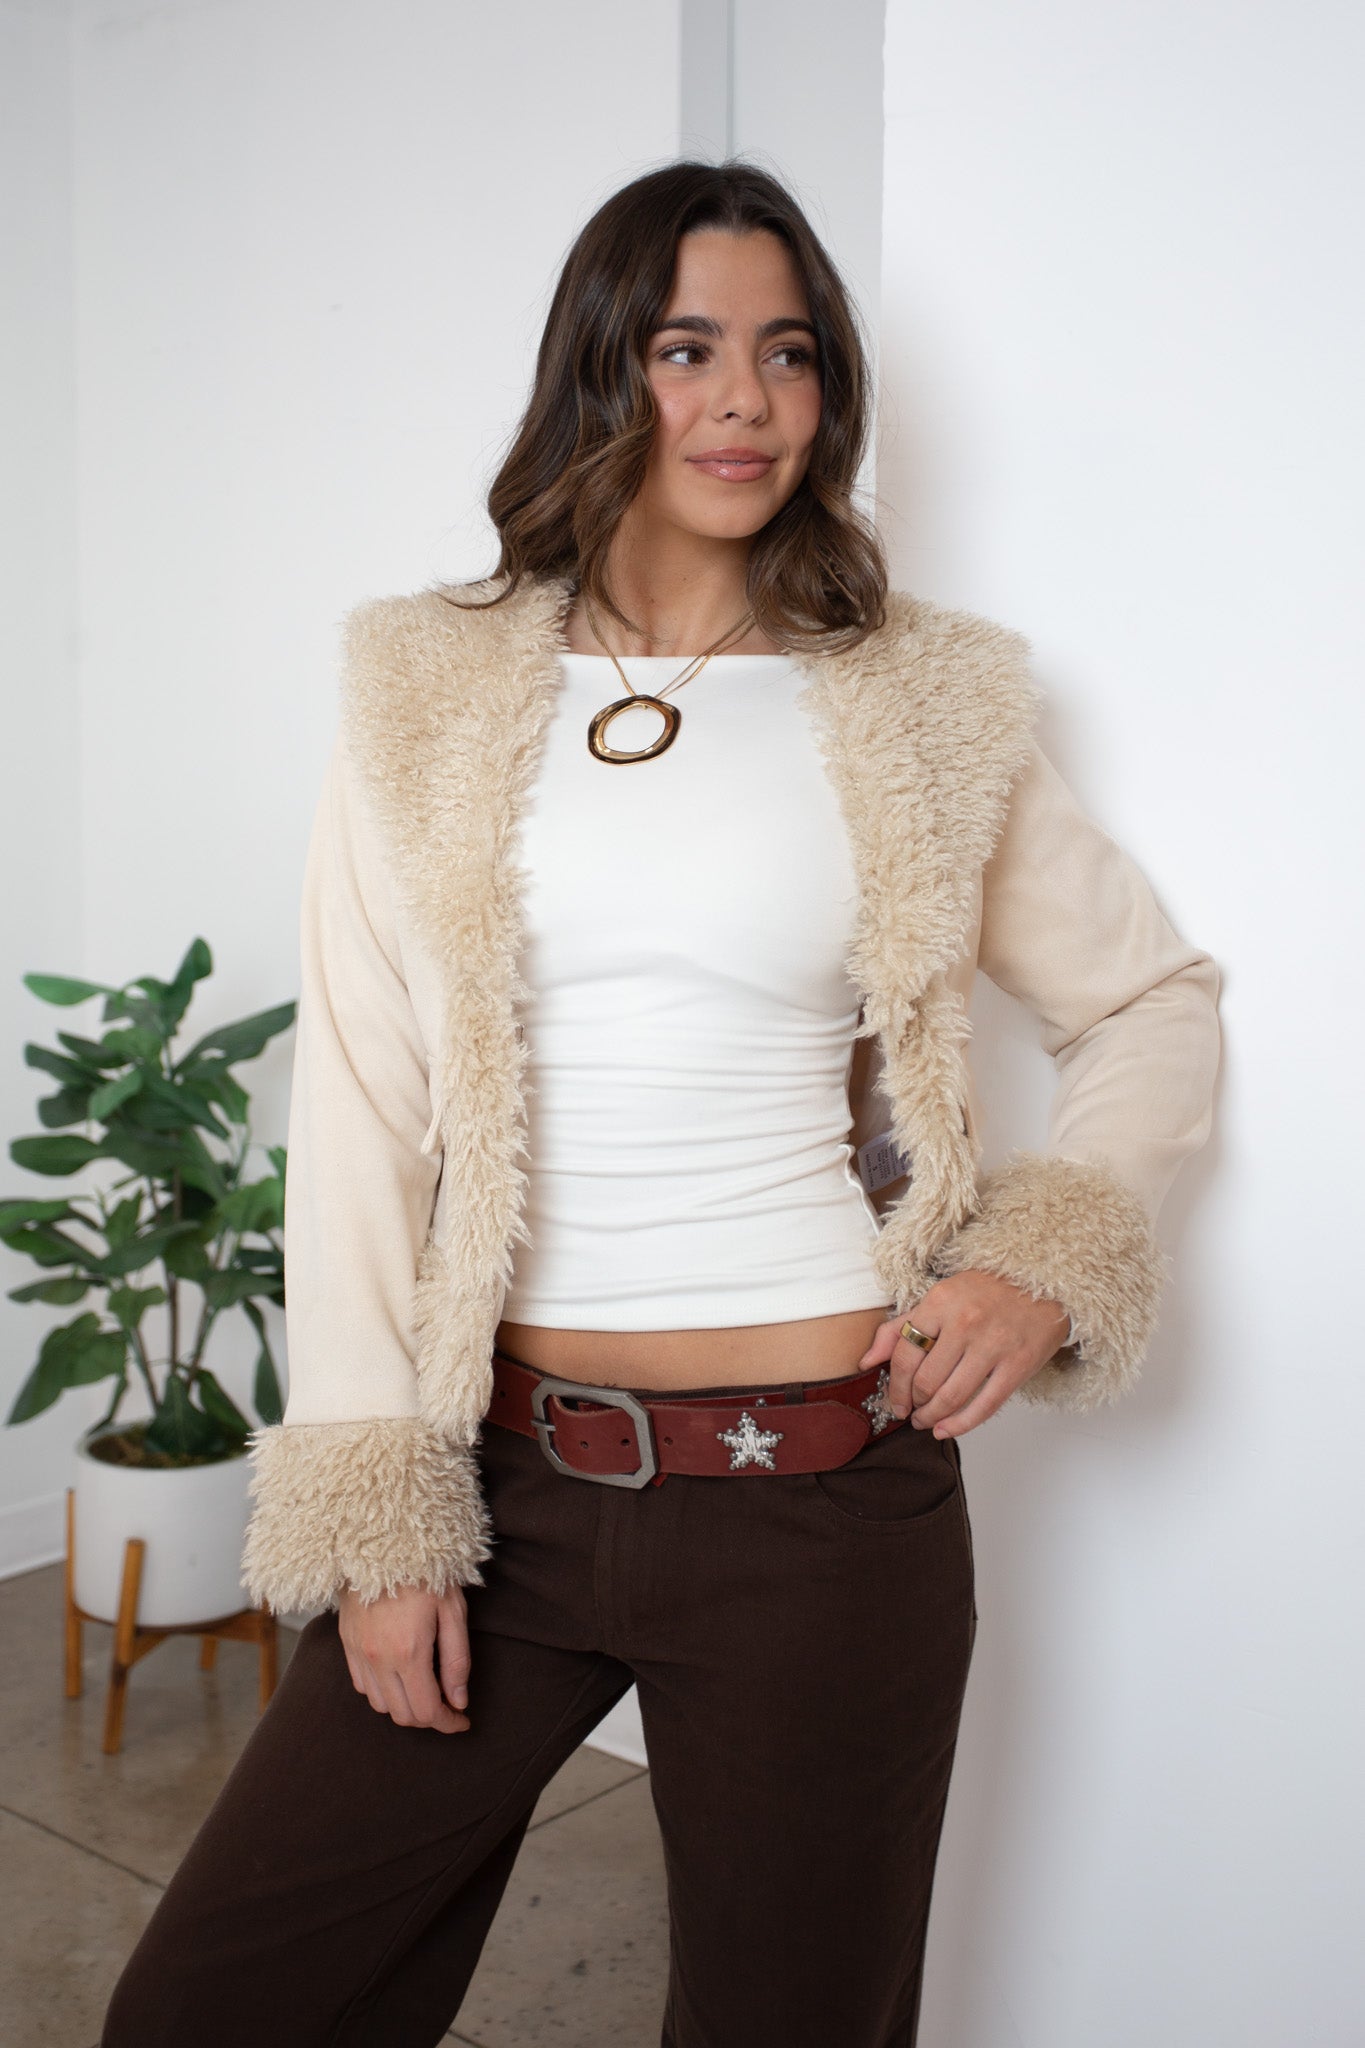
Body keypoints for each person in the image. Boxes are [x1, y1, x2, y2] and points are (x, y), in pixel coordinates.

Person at [99, 159, 1221, 2048]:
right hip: (504, 1482)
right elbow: (363, 1103)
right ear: (602, 368)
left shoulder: (914, 701)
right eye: (688, 347)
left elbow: (1150, 1000)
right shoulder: (430, 685)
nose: (744, 400)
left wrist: (1045, 1255)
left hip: (825, 1505)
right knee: (218, 2007)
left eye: (787, 354)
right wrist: (384, 1522)